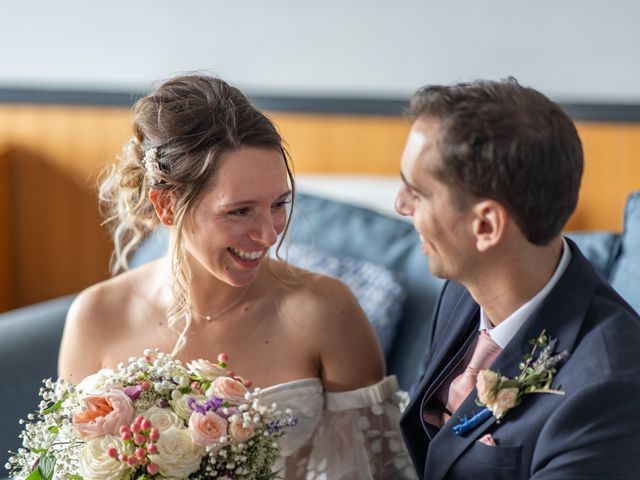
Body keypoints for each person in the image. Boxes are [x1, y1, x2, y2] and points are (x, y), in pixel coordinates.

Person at [58, 74, 414, 479]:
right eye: (240, 211)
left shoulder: (328, 311)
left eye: (279, 204)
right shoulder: (95, 315)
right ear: (167, 206)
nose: (269, 234)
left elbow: (375, 470)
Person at [396, 78, 640, 479]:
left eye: (417, 193)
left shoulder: (610, 387)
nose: (400, 205)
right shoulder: (461, 288)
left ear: (486, 225)